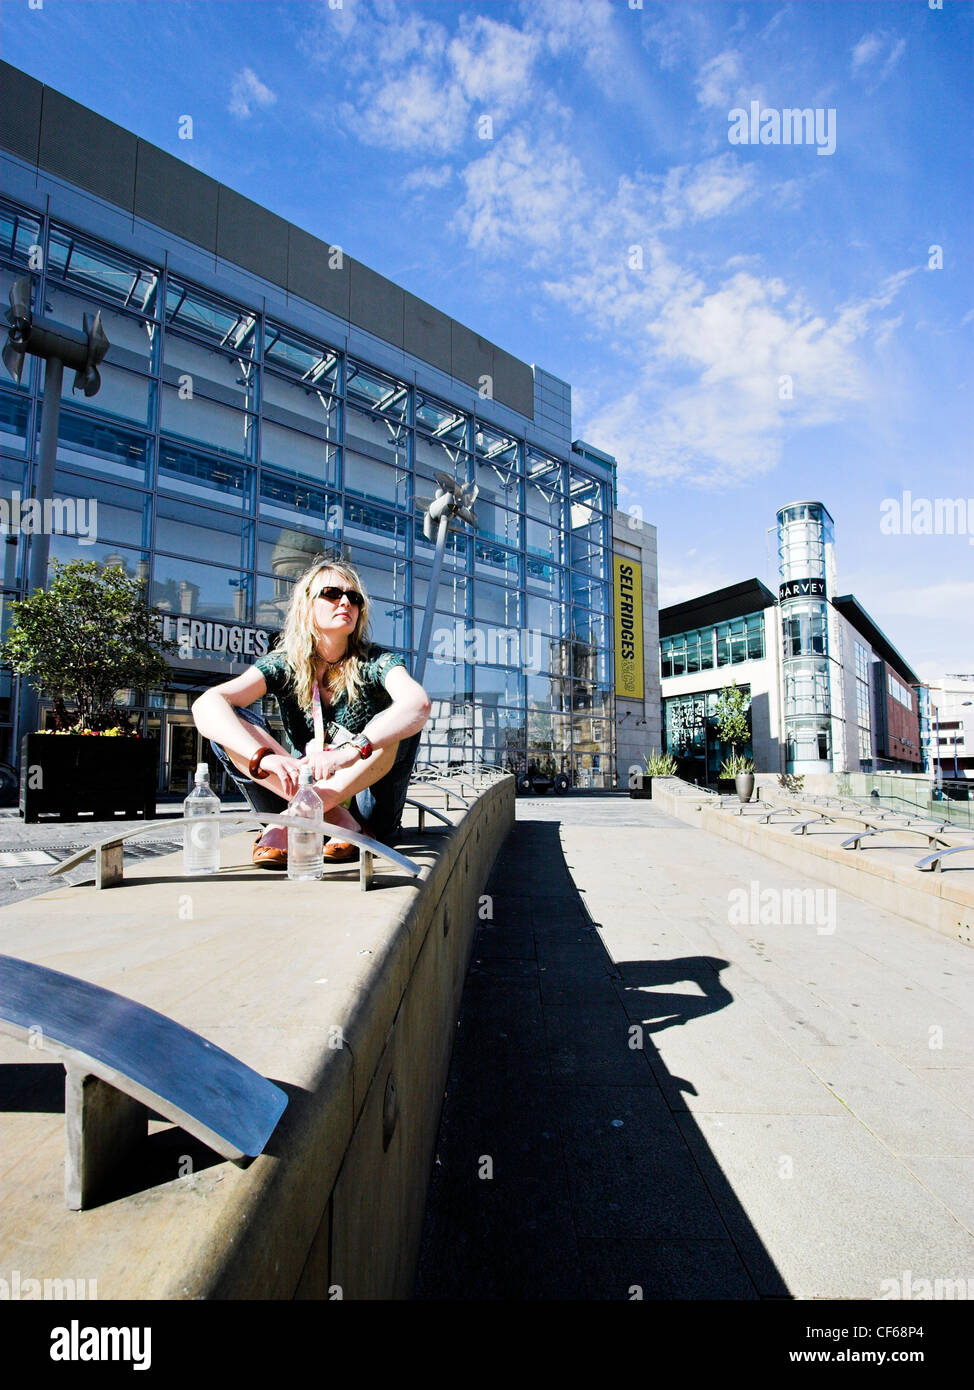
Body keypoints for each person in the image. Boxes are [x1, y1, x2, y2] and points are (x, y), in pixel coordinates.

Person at [191, 558, 431, 868]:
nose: (345, 602)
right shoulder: (286, 663)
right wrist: (264, 757)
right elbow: (207, 704)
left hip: (367, 806)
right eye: (332, 593)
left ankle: (292, 820)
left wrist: (351, 751)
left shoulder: (375, 661)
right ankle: (336, 819)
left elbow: (418, 704)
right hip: (296, 787)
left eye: (354, 597)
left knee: (395, 723)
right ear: (307, 606)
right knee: (228, 728)